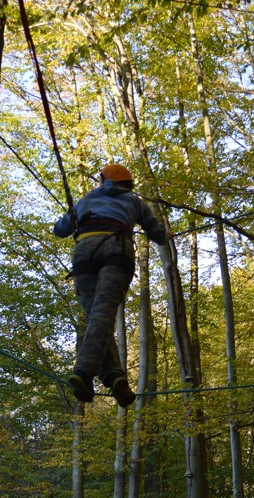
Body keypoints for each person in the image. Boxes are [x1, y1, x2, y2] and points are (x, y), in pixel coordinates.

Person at [53, 164, 167, 408]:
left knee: (97, 316)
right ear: (127, 183)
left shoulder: (87, 199)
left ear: (103, 180)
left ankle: (115, 377)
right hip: (116, 247)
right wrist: (163, 235)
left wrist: (75, 211)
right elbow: (155, 232)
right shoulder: (133, 200)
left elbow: (60, 230)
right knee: (103, 314)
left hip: (84, 250)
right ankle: (84, 371)